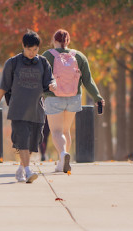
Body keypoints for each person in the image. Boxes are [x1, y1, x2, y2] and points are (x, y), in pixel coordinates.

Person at [0, 30, 56, 183]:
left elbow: (50, 80)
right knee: (22, 140)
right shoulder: (13, 63)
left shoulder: (42, 62)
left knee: (31, 145)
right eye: (29, 49)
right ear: (23, 46)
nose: (32, 52)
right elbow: (3, 86)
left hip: (36, 111)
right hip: (18, 110)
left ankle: (21, 169)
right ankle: (28, 171)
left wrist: (53, 84)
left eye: (35, 49)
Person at [42, 29, 103, 173]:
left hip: (53, 97)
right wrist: (97, 97)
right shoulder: (79, 56)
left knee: (56, 131)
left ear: (54, 40)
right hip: (74, 97)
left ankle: (63, 155)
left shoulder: (47, 56)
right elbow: (88, 80)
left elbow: (40, 77)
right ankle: (62, 161)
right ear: (68, 41)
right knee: (65, 130)